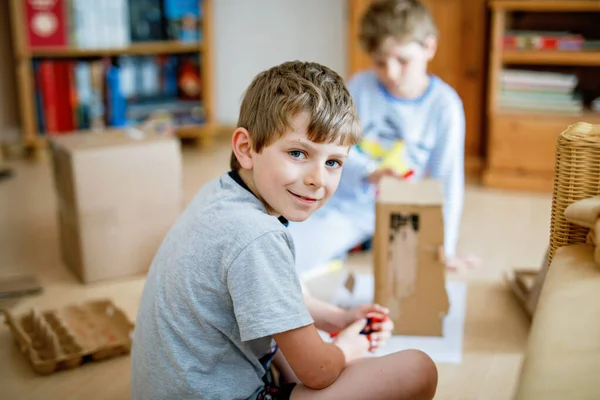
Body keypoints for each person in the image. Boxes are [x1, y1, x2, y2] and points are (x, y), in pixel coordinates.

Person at [130, 60, 438, 400]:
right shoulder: (257, 236)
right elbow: (317, 372)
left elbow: (280, 296)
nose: (317, 179)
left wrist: (338, 317)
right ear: (246, 148)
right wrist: (351, 346)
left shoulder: (220, 194)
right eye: (297, 153)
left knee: (300, 330)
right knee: (417, 369)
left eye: (333, 162)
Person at [288, 0, 480, 275]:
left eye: (402, 60)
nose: (390, 73)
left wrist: (445, 248)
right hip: (348, 204)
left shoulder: (445, 105)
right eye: (380, 62)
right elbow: (333, 151)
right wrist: (371, 172)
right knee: (282, 242)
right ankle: (354, 244)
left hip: (400, 209)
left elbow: (447, 182)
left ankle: (364, 243)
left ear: (429, 47)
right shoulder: (359, 87)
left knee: (415, 273)